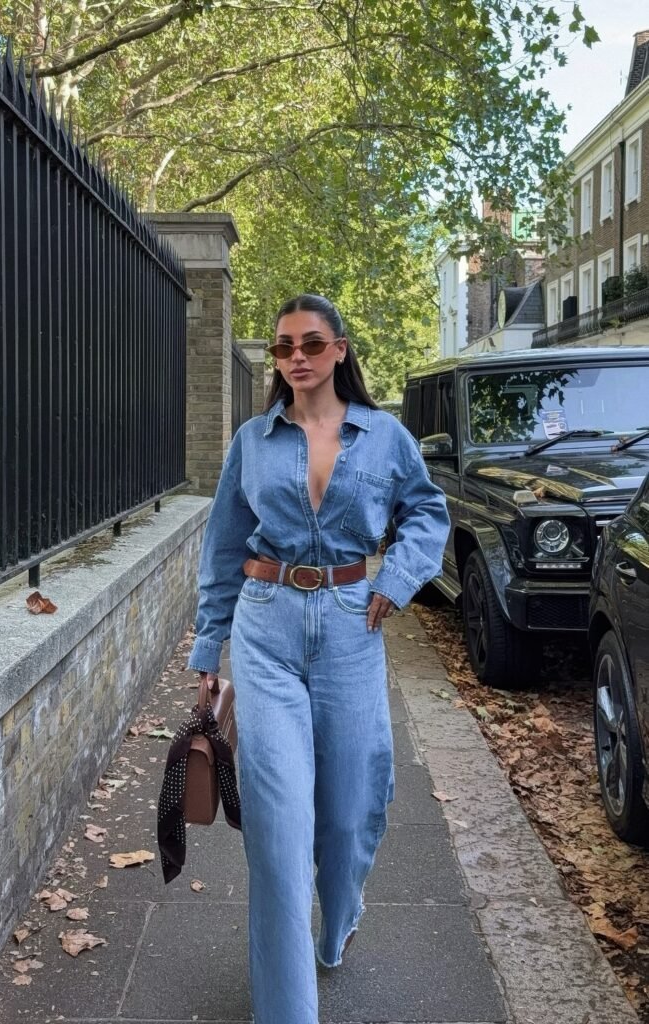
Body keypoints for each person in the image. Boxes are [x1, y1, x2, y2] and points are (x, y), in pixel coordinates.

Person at [188, 294, 450, 1024]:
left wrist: (396, 581)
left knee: (349, 809)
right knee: (278, 825)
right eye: (281, 348)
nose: (294, 358)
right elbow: (222, 546)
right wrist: (209, 646)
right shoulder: (253, 439)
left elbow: (426, 513)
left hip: (348, 627)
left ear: (338, 350)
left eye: (308, 344)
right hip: (265, 626)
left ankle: (337, 923)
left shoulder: (385, 436)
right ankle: (286, 1009)